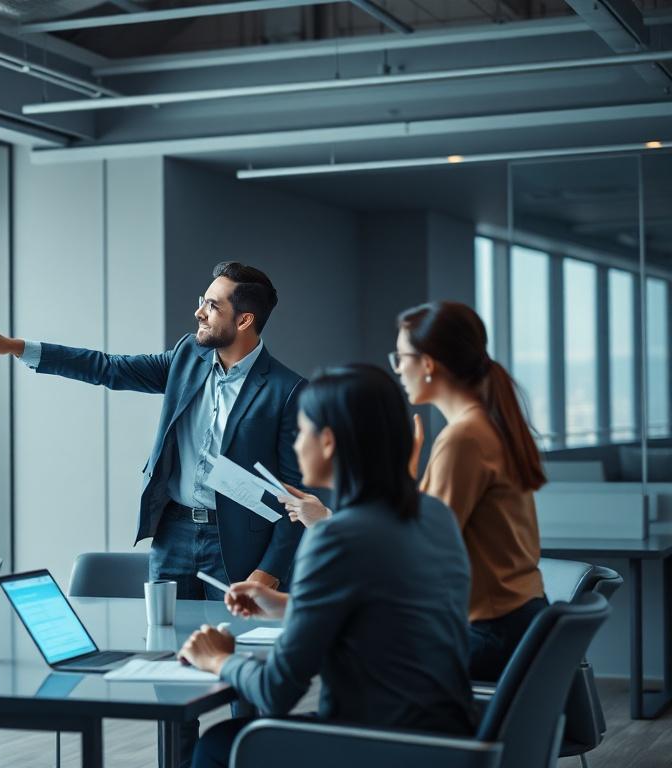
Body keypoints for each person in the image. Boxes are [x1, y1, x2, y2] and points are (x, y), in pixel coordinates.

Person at [0, 262, 307, 599]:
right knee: (166, 644)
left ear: (244, 320)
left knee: (232, 648)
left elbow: (295, 499)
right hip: (174, 533)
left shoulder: (286, 390)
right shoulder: (187, 356)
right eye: (203, 302)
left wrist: (269, 571)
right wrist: (17, 347)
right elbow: (109, 368)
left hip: (238, 545)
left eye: (212, 306)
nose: (199, 312)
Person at [178, 365, 476, 768]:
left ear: (329, 441)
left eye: (302, 432)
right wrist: (288, 605)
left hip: (375, 748)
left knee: (218, 746)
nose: (298, 445)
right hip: (449, 742)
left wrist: (217, 659)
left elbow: (275, 692)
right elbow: (386, 610)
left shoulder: (337, 536)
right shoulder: (434, 514)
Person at [392, 300, 548, 682]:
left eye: (401, 357)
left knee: (365, 668)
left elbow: (422, 552)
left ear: (427, 364)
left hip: (491, 632)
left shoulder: (463, 439)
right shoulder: (485, 426)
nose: (397, 369)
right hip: (517, 621)